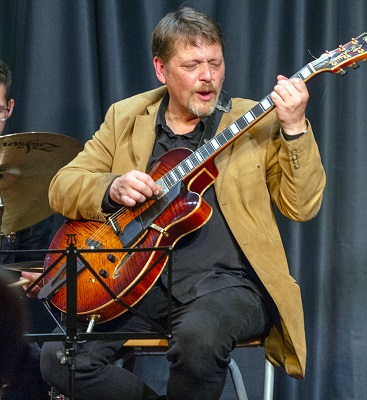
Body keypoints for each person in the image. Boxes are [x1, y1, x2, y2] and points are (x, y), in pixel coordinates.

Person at [40, 7, 326, 400]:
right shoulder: (126, 116)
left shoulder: (254, 120)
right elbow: (62, 186)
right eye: (192, 65)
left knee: (198, 341)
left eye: (215, 63)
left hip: (227, 286)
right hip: (135, 283)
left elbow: (302, 206)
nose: (208, 76)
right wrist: (112, 187)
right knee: (59, 356)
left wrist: (294, 128)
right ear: (161, 69)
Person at [0, 59, 54, 400]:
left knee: (43, 367)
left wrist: (39, 277)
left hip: (5, 327)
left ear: (10, 108)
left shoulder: (26, 184)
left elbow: (35, 263)